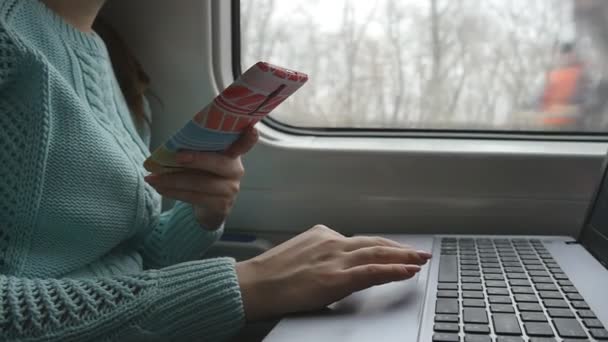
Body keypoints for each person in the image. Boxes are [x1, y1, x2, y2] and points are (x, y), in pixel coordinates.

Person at [0, 0, 432, 341]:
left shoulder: (112, 60)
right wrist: (249, 283)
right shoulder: (10, 38)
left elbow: (130, 257)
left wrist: (200, 214)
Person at [539, 42, 590, 129]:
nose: (566, 57)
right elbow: (542, 99)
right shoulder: (552, 75)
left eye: (570, 54)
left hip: (573, 125)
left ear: (574, 55)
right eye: (564, 54)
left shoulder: (581, 74)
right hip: (551, 124)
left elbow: (585, 99)